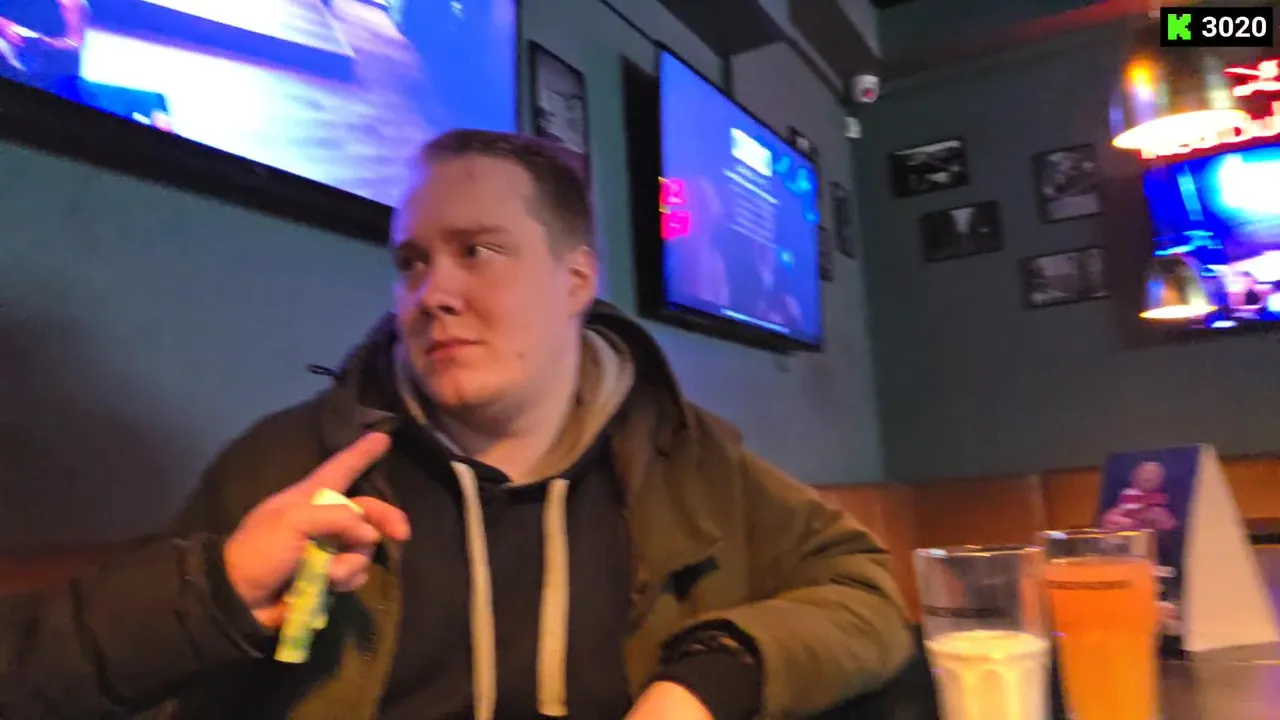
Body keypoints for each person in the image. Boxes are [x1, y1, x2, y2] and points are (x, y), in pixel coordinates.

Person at [151, 129, 911, 719]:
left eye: (477, 251)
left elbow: (866, 591)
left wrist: (711, 678)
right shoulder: (285, 468)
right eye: (412, 262)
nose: (432, 293)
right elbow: (143, 678)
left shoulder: (690, 456)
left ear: (575, 279)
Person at [0, 432, 411, 719]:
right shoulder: (274, 452)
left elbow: (33, 659)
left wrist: (221, 586)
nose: (432, 308)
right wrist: (217, 592)